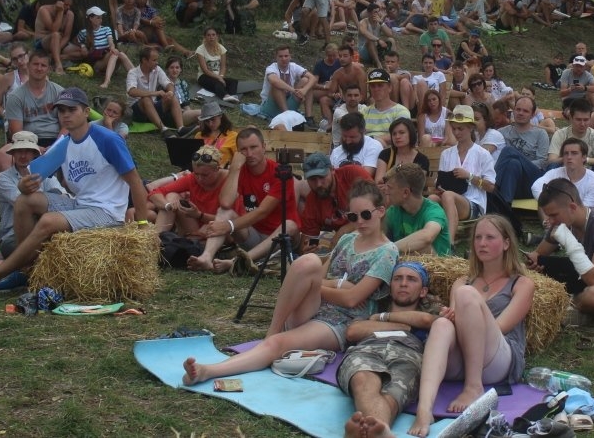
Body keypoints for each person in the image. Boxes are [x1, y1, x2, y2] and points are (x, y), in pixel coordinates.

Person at [182, 179, 398, 384]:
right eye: (352, 216)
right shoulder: (348, 239)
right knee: (309, 261)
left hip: (343, 321)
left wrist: (321, 286)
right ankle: (273, 330)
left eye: (366, 215)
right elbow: (321, 278)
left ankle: (208, 371)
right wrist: (338, 285)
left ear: (381, 211)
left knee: (278, 344)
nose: (359, 222)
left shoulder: (387, 252)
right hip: (317, 306)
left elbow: (352, 300)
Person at [0, 87, 150, 297]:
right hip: (81, 205)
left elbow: (135, 181)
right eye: (61, 111)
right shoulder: (64, 145)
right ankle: (27, 271)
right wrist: (24, 186)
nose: (66, 115)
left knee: (48, 221)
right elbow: (30, 177)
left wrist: (142, 225)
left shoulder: (108, 139)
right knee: (24, 201)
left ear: (86, 112)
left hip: (108, 212)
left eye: (72, 109)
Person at [408, 215, 534, 437]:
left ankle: (473, 386)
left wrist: (468, 312)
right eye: (478, 237)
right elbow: (456, 326)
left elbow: (501, 327)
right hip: (465, 357)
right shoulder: (462, 281)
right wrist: (451, 317)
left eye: (490, 237)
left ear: (506, 243)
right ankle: (424, 409)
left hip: (499, 358)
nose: (482, 243)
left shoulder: (522, 283)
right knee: (442, 325)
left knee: (466, 294)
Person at [340, 262, 440, 438]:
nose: (403, 283)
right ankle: (380, 431)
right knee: (362, 379)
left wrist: (382, 319)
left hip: (409, 355)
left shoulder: (428, 316)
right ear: (390, 287)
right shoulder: (373, 308)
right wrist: (405, 327)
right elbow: (353, 331)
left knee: (395, 393)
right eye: (398, 279)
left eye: (411, 279)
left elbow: (426, 320)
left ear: (423, 291)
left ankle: (370, 430)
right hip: (367, 349)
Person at [187, 128, 298, 272]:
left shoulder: (280, 172)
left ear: (264, 147)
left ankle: (237, 262)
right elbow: (225, 203)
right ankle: (206, 258)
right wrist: (234, 168)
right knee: (224, 212)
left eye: (253, 147)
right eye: (244, 149)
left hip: (282, 239)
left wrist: (229, 226)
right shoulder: (240, 170)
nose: (249, 154)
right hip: (254, 235)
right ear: (238, 152)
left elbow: (263, 211)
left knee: (289, 225)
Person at [527, 178, 594, 322]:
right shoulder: (561, 221)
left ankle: (564, 306)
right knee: (528, 272)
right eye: (548, 215)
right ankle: (576, 307)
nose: (549, 220)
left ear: (572, 207)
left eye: (553, 215)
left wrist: (569, 242)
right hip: (581, 276)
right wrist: (532, 263)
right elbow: (537, 255)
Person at [0, 131, 68, 257]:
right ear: (13, 153)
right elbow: (24, 204)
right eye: (19, 151)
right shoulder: (3, 178)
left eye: (27, 151)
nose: (23, 155)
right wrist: (53, 200)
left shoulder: (46, 175)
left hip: (43, 232)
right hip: (13, 236)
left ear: (34, 153)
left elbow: (65, 197)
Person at [432, 105, 496, 242]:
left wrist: (469, 176)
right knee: (432, 198)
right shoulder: (446, 154)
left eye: (460, 129)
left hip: (474, 204)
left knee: (448, 195)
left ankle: (449, 243)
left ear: (471, 128)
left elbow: (491, 187)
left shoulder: (482, 154)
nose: (456, 132)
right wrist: (438, 187)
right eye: (454, 128)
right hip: (449, 198)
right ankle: (428, 237)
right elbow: (440, 180)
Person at [149, 145, 229, 239]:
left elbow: (233, 220)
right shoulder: (192, 178)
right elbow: (155, 192)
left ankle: (189, 242)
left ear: (217, 169)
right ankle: (155, 239)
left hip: (218, 228)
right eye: (196, 173)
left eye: (205, 175)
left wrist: (200, 215)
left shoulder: (229, 180)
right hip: (194, 224)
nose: (200, 179)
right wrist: (167, 205)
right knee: (172, 196)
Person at [383, 163, 450, 255]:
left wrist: (387, 249)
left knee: (422, 247)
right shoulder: (394, 210)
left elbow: (427, 237)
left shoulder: (434, 211)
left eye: (390, 187)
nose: (385, 191)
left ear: (405, 192)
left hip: (436, 262)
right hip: (407, 262)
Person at [493, 96, 550, 202]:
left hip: (531, 179)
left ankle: (492, 184)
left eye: (525, 111)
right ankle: (505, 206)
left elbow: (542, 162)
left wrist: (522, 162)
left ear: (532, 115)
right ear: (513, 111)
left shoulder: (540, 134)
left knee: (508, 151)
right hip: (510, 177)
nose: (520, 113)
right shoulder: (501, 132)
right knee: (513, 164)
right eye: (518, 109)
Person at [126, 46, 188, 138]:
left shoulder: (157, 69)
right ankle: (163, 129)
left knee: (172, 97)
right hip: (137, 111)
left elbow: (168, 84)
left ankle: (181, 128)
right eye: (154, 60)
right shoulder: (133, 73)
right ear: (144, 60)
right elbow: (132, 91)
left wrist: (170, 92)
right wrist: (155, 93)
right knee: (146, 99)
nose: (157, 62)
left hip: (153, 107)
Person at [64, 7, 134, 89]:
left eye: (101, 17)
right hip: (97, 63)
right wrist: (83, 46)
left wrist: (112, 48)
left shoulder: (106, 29)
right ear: (91, 18)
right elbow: (76, 41)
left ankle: (136, 74)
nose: (101, 20)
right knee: (115, 54)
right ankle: (107, 81)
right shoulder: (84, 32)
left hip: (108, 57)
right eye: (98, 18)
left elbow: (110, 41)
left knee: (119, 54)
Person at [532, 138, 594, 209]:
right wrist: (550, 204)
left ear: (584, 157)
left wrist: (554, 206)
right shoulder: (554, 173)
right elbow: (536, 187)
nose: (569, 157)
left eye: (574, 153)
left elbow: (583, 211)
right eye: (566, 153)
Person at [259, 45, 316, 121]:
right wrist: (293, 90)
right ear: (276, 57)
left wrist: (304, 90)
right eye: (280, 56)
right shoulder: (271, 68)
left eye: (286, 56)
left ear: (290, 56)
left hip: (288, 102)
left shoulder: (293, 66)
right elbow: (274, 81)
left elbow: (313, 78)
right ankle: (287, 116)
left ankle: (309, 118)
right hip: (271, 106)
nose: (284, 59)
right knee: (276, 86)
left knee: (307, 81)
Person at [364, 69, 412, 145]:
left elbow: (401, 135)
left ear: (390, 87)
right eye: (373, 86)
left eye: (380, 85)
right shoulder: (364, 111)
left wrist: (373, 140)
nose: (376, 89)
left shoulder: (401, 111)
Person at [194, 26, 239, 103]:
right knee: (218, 83)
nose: (211, 37)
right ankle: (225, 96)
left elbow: (223, 66)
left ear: (217, 36)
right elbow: (205, 70)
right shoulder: (200, 49)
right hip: (204, 76)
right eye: (208, 35)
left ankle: (232, 96)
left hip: (217, 76)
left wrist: (221, 76)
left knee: (233, 82)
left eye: (213, 35)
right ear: (205, 37)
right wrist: (219, 78)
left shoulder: (221, 48)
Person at [193, 101, 238, 166]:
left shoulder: (233, 136)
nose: (210, 124)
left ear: (220, 116)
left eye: (213, 119)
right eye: (207, 121)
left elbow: (239, 161)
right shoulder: (199, 135)